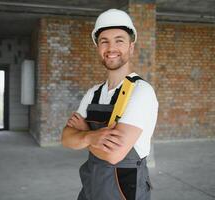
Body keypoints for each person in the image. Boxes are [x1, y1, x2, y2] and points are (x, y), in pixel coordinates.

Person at [61, 9, 158, 200]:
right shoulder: (93, 93)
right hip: (91, 187)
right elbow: (66, 138)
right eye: (104, 41)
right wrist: (92, 137)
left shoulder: (141, 91)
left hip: (124, 190)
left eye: (119, 40)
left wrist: (83, 135)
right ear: (98, 47)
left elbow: (115, 155)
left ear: (131, 47)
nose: (111, 48)